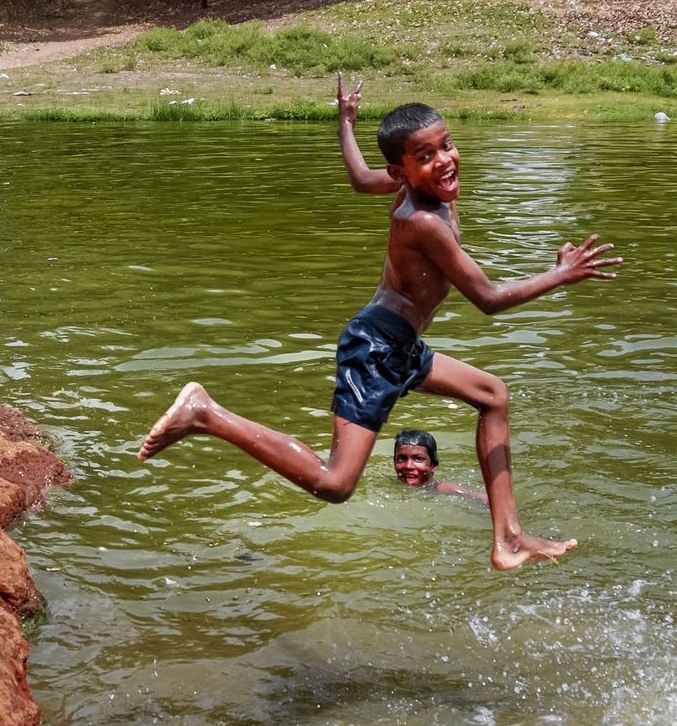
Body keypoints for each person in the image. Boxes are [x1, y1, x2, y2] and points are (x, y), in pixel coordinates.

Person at [138, 75, 622, 570]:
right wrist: (561, 274)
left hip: (401, 345)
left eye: (447, 146)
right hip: (376, 347)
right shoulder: (422, 222)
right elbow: (489, 299)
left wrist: (345, 122)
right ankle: (206, 414)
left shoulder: (422, 187)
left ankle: (510, 538)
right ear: (404, 171)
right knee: (335, 483)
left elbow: (356, 178)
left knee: (492, 395)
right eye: (427, 156)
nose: (445, 161)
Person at [393, 429, 488, 505]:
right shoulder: (392, 487)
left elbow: (487, 500)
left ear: (433, 465)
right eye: (401, 459)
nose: (408, 466)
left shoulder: (445, 489)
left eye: (418, 459)